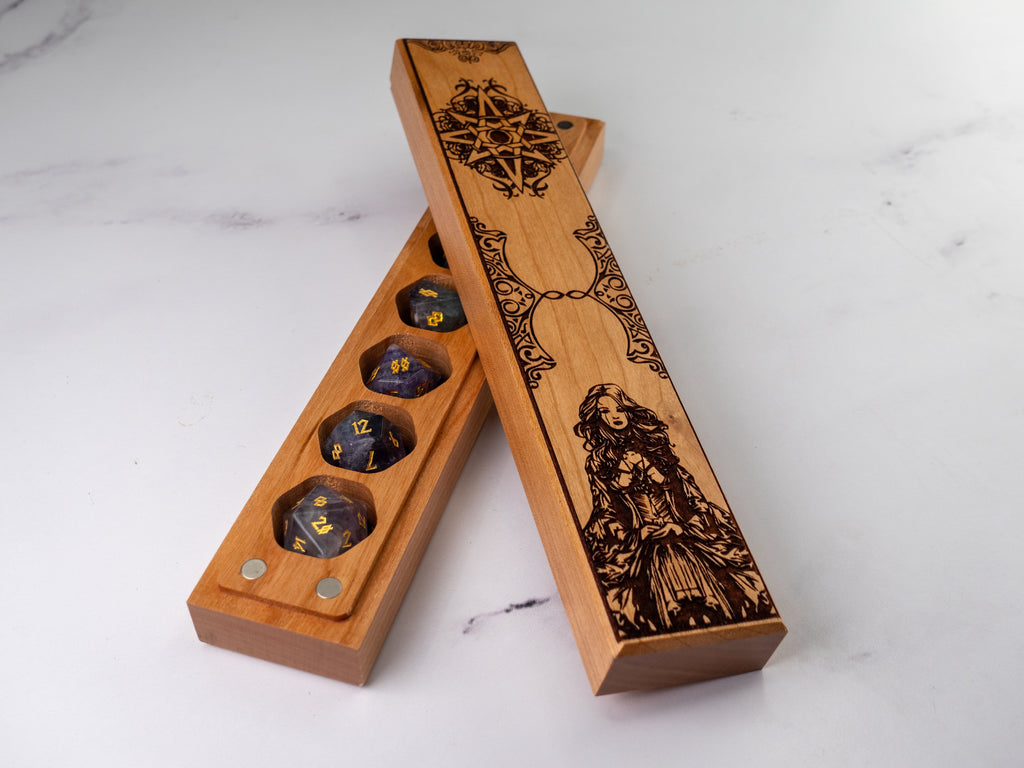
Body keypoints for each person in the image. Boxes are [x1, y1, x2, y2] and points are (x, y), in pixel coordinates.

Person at [574, 383, 774, 637]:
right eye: (605, 411)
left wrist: (684, 525)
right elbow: (606, 511)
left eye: (620, 408)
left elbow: (691, 495)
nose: (615, 415)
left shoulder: (657, 448)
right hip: (640, 538)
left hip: (683, 529)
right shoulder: (598, 462)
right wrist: (637, 534)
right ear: (596, 418)